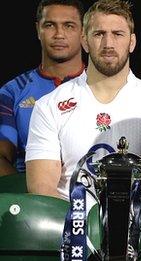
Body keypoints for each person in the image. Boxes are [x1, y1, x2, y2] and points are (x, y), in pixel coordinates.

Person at [25, 0, 141, 200]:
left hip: (138, 227)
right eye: (99, 34)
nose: (108, 44)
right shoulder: (48, 106)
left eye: (118, 34)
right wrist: (81, 226)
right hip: (70, 227)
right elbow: (42, 190)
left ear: (132, 42)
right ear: (84, 41)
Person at [0, 0, 85, 177]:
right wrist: (31, 199)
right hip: (32, 198)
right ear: (38, 29)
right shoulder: (11, 93)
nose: (59, 34)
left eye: (69, 26)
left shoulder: (104, 88)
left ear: (83, 32)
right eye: (50, 25)